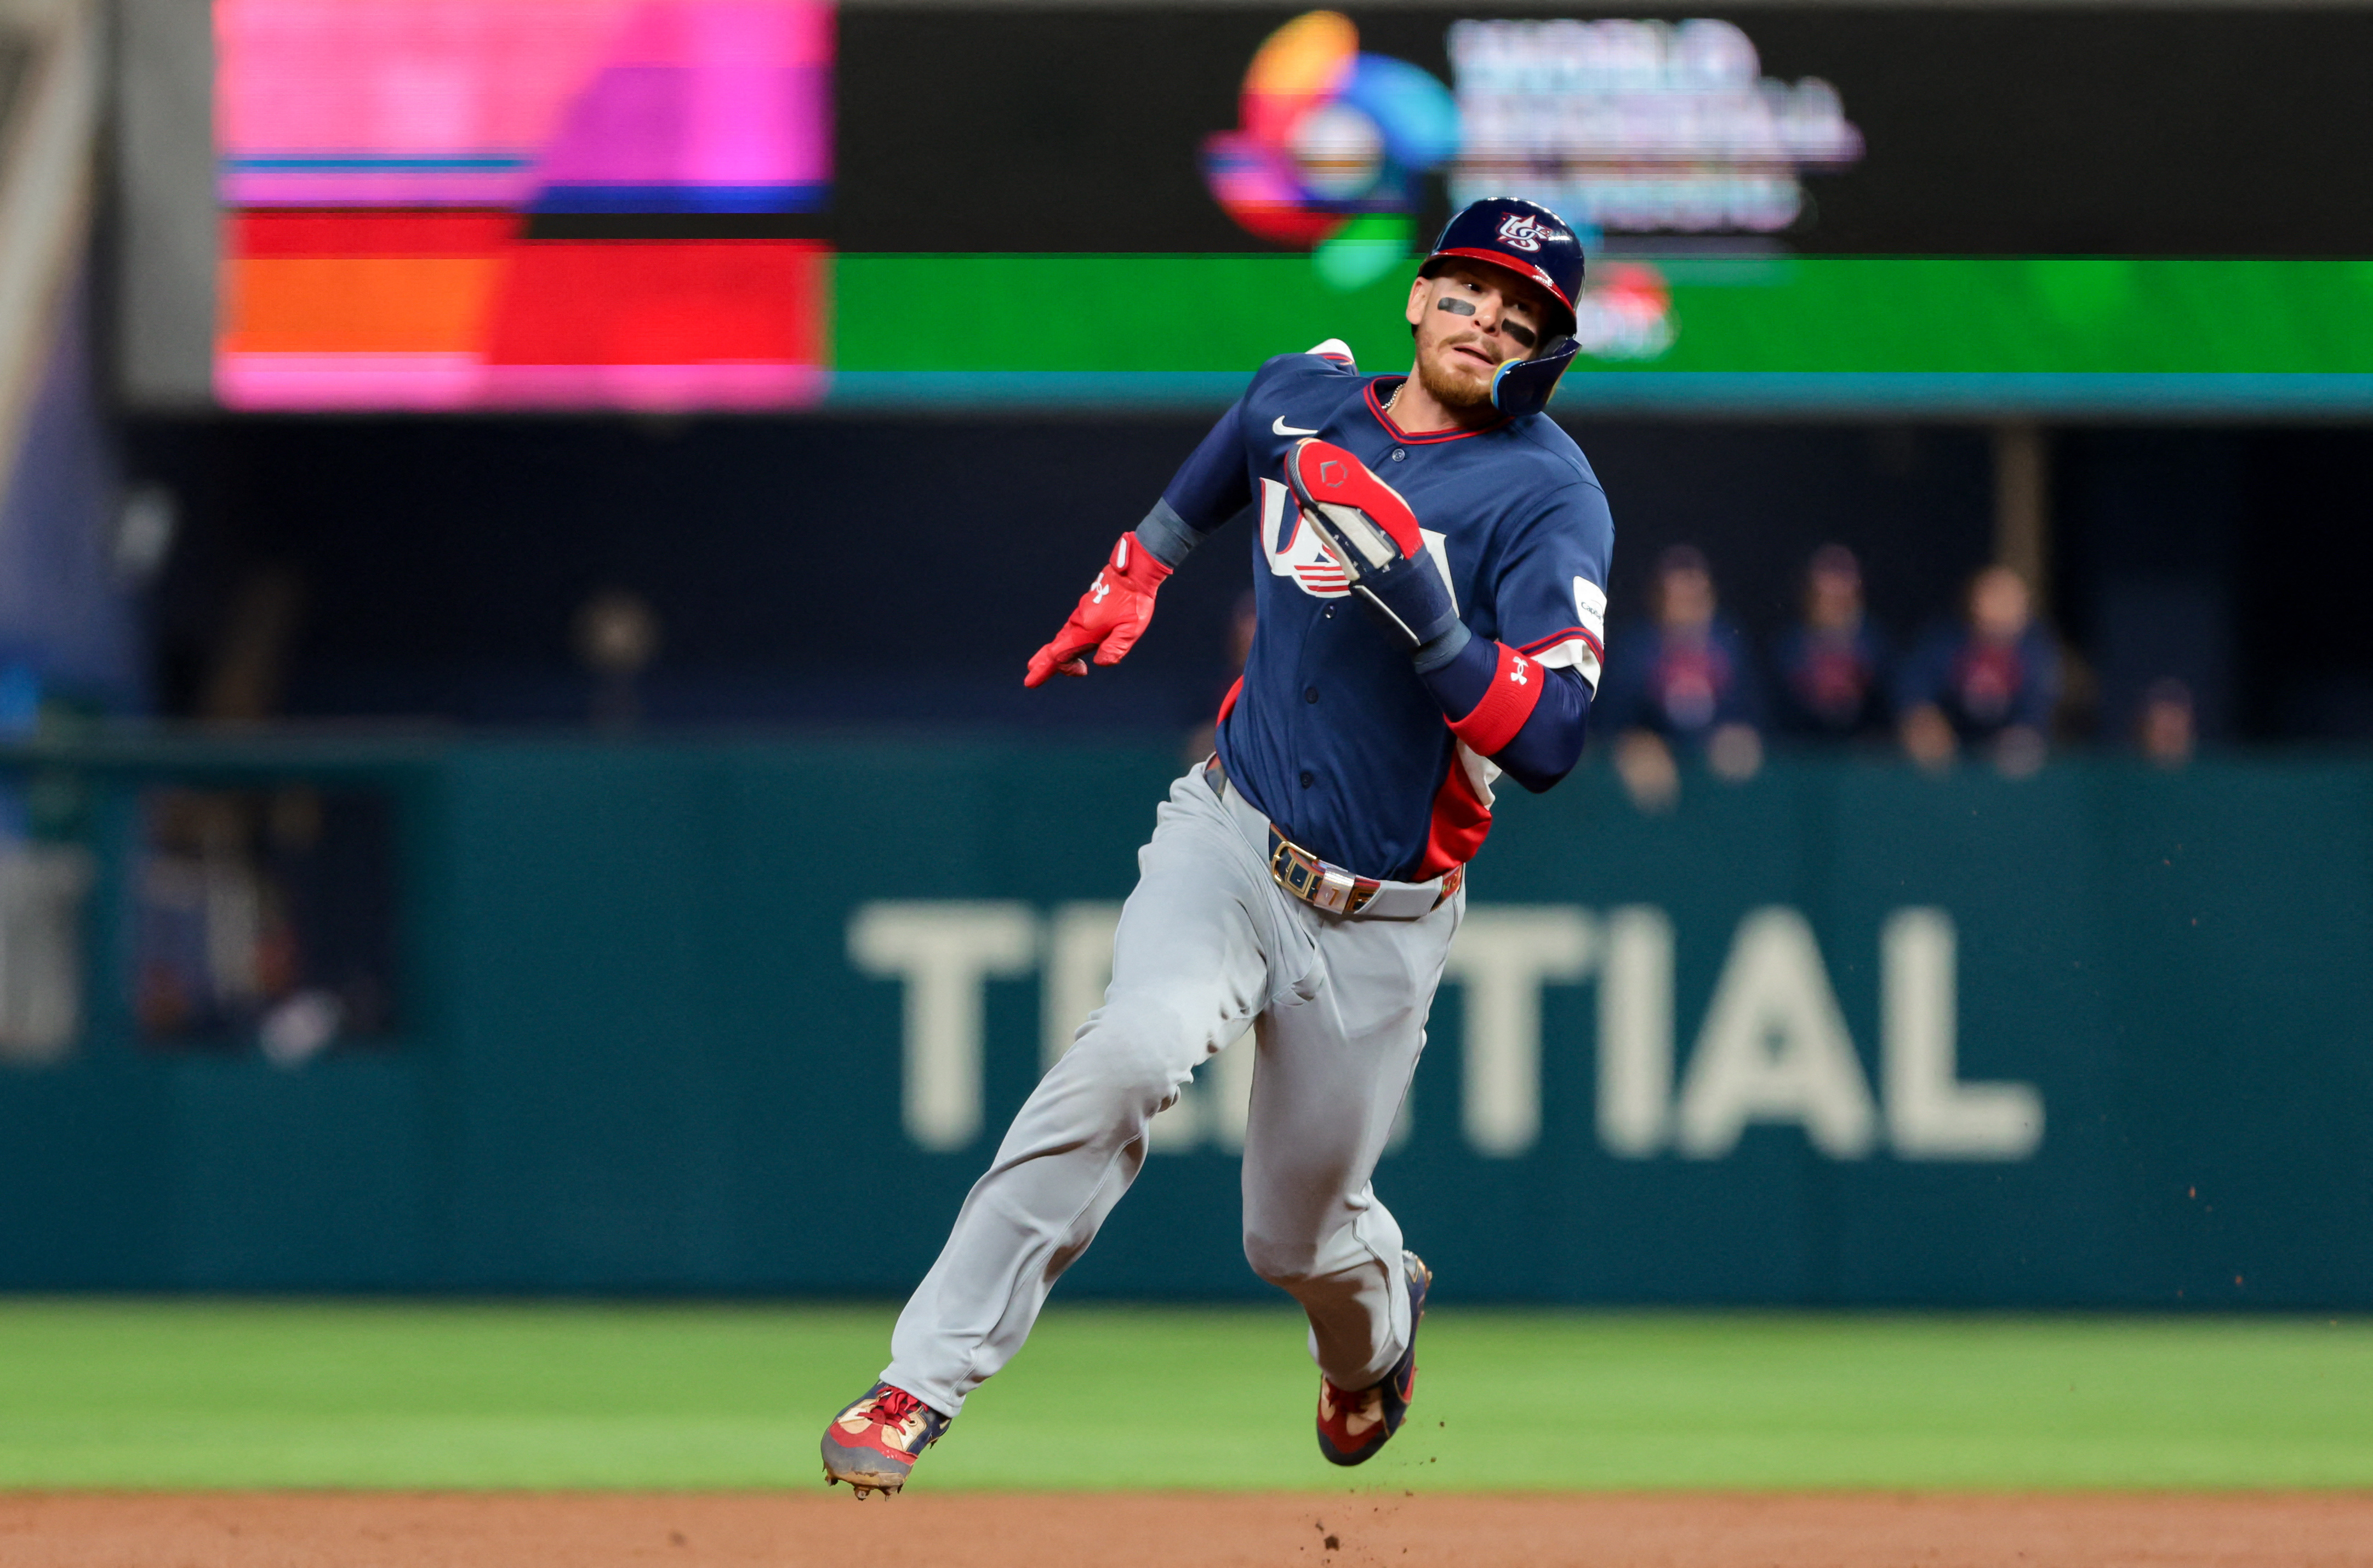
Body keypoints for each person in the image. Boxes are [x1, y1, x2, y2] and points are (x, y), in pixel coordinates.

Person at [819, 199, 1613, 1495]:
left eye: (1521, 317)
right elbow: (1251, 423)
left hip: (1383, 911)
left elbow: (1552, 738)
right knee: (1127, 1050)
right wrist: (1139, 563)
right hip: (1229, 839)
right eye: (1469, 290)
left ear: (1547, 358)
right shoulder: (1310, 403)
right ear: (1417, 297)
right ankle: (923, 1379)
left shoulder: (1548, 495)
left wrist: (1434, 625)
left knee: (1293, 1239)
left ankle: (1376, 1331)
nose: (1486, 321)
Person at [1598, 545, 1762, 810]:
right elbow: (1611, 721)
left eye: (1695, 599)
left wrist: (1739, 735)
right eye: (1676, 599)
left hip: (1720, 783)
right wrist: (1635, 742)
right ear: (1658, 601)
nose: (1686, 611)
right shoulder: (1635, 650)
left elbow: (1755, 713)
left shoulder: (1729, 647)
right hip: (1651, 778)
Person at [1895, 565, 2061, 776]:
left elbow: (2037, 711)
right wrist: (1923, 719)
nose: (2002, 608)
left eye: (2011, 600)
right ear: (1973, 602)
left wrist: (2022, 733)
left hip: (2006, 758)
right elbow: (1913, 689)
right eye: (1993, 597)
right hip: (1949, 754)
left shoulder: (2037, 652)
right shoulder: (1944, 644)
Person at [1772, 544, 1889, 741]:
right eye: (1827, 597)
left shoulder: (1876, 646)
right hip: (1804, 746)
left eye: (1842, 599)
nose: (1834, 607)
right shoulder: (1788, 647)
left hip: (1862, 747)